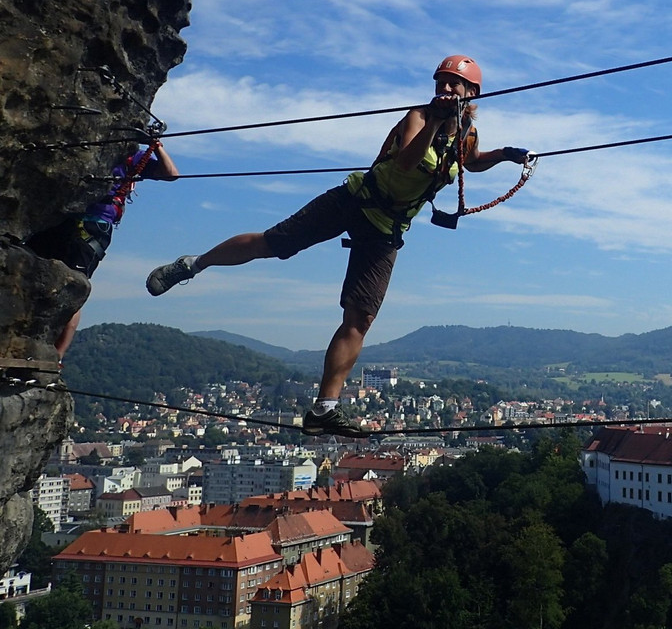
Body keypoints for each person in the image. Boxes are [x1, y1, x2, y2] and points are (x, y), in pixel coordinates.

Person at [145, 55, 531, 438]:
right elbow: (406, 164)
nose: (445, 89)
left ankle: (324, 409)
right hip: (355, 200)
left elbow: (473, 160)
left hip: (386, 228)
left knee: (360, 317)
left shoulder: (466, 133)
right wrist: (433, 121)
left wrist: (506, 155)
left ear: (471, 92)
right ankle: (194, 264)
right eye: (440, 83)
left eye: (453, 84)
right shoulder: (418, 117)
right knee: (274, 244)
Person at [27, 138, 180, 357]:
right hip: (66, 218)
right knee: (56, 278)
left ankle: (58, 353)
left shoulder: (130, 156)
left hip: (89, 221)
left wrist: (156, 148)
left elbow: (171, 173)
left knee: (75, 283)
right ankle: (43, 343)